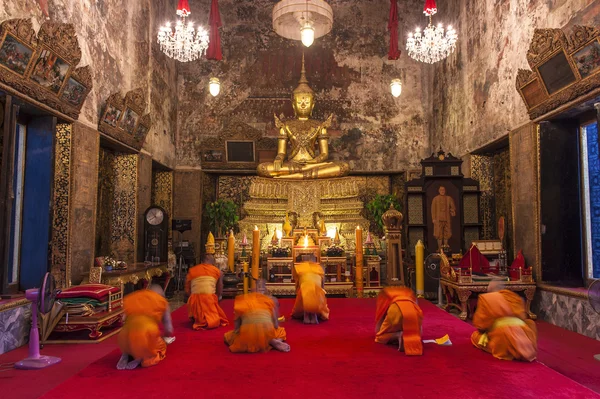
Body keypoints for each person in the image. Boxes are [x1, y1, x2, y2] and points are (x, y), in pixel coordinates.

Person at [470, 281, 537, 361]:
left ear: (490, 289)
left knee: (475, 337)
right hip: (523, 335)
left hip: (502, 338)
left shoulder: (487, 298)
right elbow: (523, 317)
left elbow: (480, 325)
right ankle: (519, 350)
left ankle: (509, 351)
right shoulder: (513, 296)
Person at [117, 285, 173, 369]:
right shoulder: (162, 301)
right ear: (161, 295)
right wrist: (164, 338)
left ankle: (127, 354)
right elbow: (169, 329)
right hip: (146, 334)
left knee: (132, 332)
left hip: (125, 336)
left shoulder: (135, 296)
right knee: (160, 346)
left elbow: (123, 318)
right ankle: (142, 356)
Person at [224, 291, 290, 353]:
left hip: (248, 337)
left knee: (228, 336)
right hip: (267, 332)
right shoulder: (269, 303)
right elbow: (275, 325)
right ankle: (273, 341)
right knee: (281, 331)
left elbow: (236, 329)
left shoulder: (241, 304)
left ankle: (263, 339)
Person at [375, 287, 424, 355]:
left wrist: (380, 333)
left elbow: (380, 316)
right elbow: (417, 307)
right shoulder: (409, 291)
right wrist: (418, 334)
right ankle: (406, 335)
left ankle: (398, 335)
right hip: (413, 310)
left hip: (396, 310)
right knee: (414, 334)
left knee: (380, 337)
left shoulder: (385, 293)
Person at [186, 253, 229, 330]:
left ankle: (195, 315)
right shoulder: (217, 271)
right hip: (209, 299)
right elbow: (220, 287)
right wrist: (217, 298)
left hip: (194, 299)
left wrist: (192, 298)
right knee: (214, 322)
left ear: (201, 261)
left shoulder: (192, 270)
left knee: (193, 300)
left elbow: (187, 289)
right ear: (213, 262)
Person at [291, 254, 330, 324]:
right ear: (315, 261)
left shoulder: (300, 268)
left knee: (304, 293)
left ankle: (306, 314)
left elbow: (297, 285)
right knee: (315, 294)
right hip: (317, 293)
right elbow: (322, 285)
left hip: (305, 292)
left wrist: (299, 293)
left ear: (303, 261)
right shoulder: (319, 268)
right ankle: (314, 314)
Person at [431, 185, 456, 250]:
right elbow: (433, 209)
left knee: (447, 233)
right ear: (439, 191)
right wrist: (433, 218)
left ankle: (445, 248)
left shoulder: (449, 198)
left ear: (445, 191)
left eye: (443, 190)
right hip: (438, 219)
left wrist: (452, 211)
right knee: (438, 234)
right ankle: (440, 248)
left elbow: (452, 207)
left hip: (447, 219)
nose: (442, 191)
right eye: (441, 190)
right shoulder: (435, 199)